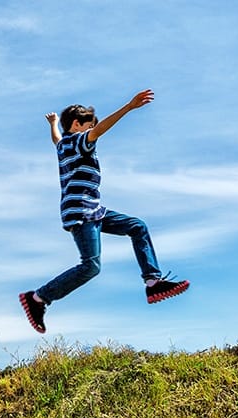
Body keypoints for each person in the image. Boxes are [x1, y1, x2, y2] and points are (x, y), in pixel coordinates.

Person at [19, 88, 190, 334]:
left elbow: (56, 139)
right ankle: (38, 298)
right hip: (82, 212)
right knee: (91, 266)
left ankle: (153, 282)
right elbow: (99, 131)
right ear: (77, 125)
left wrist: (54, 124)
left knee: (137, 226)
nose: (92, 133)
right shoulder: (80, 141)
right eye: (88, 127)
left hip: (93, 210)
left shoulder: (64, 145)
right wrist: (129, 107)